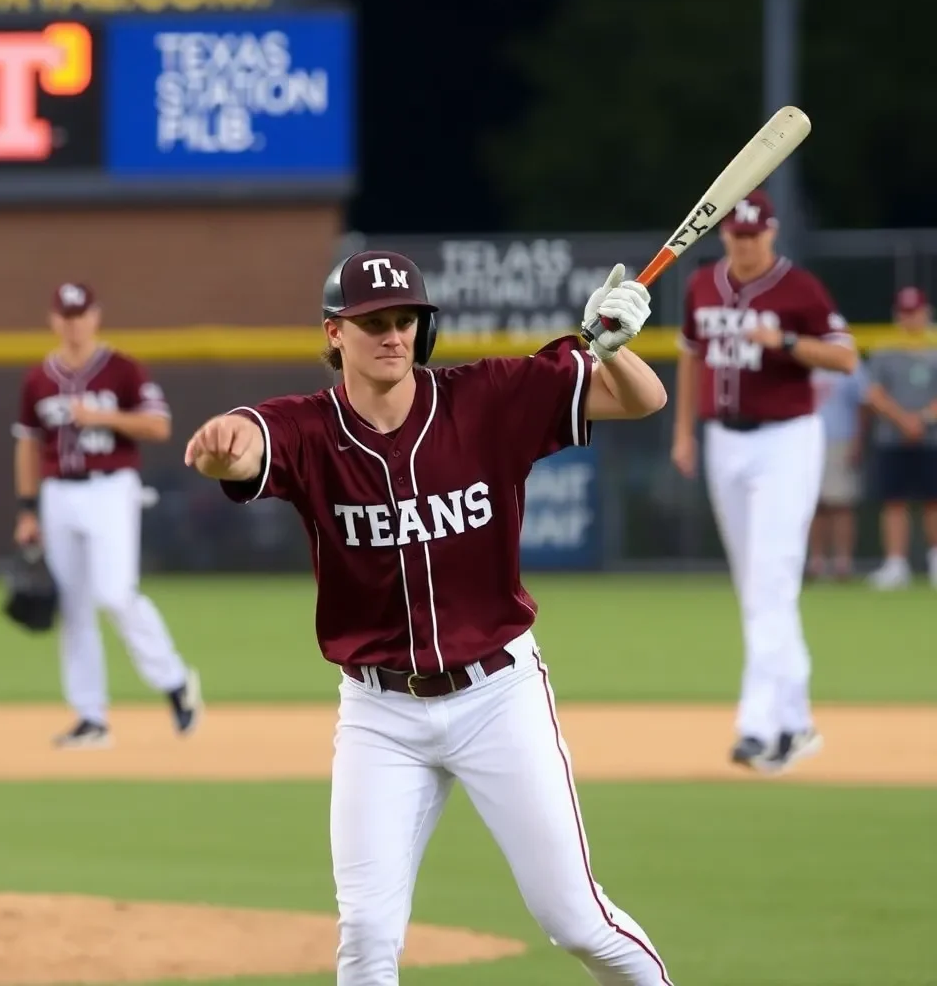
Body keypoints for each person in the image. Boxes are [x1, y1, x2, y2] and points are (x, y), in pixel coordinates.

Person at [185, 250, 675, 986]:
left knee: (577, 919)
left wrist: (618, 349)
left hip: (497, 697)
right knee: (367, 936)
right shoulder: (313, 431)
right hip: (379, 713)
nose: (393, 334)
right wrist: (225, 444)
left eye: (407, 319)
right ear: (334, 335)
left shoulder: (488, 398)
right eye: (373, 322)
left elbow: (642, 402)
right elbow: (252, 441)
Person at [670, 189, 857, 774]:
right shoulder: (703, 285)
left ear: (771, 234)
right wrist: (683, 433)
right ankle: (796, 723)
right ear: (724, 235)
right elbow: (690, 354)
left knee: (772, 578)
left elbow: (846, 358)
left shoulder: (798, 288)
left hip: (787, 440)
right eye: (735, 235)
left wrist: (789, 343)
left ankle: (756, 726)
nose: (745, 244)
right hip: (725, 438)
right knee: (758, 585)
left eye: (754, 235)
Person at [12, 282, 202, 748]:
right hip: (58, 493)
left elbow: (159, 425)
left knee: (114, 594)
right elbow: (27, 445)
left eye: (81, 314)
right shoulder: (38, 378)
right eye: (66, 315)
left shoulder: (123, 370)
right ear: (54, 320)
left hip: (112, 488)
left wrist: (103, 418)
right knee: (73, 607)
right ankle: (90, 716)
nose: (74, 323)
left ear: (95, 316)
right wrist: (26, 508)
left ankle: (174, 680)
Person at [861, 286, 937, 589]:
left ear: (926, 312)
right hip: (893, 437)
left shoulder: (934, 346)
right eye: (905, 312)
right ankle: (896, 564)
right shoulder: (884, 348)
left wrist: (921, 420)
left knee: (934, 501)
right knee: (894, 502)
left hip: (931, 438)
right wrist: (903, 421)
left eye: (915, 311)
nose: (910, 318)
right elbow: (874, 393)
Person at [807, 360, 870, 581]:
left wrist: (857, 441)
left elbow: (863, 403)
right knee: (813, 506)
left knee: (841, 504)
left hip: (840, 440)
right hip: (805, 441)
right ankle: (816, 562)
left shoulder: (846, 358)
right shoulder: (801, 353)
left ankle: (843, 563)